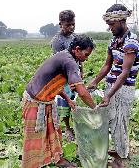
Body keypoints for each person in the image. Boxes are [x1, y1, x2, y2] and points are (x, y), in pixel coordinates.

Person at [21, 34, 96, 168]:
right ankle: (31, 165)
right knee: (34, 138)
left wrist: (68, 99)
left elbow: (55, 82)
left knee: (53, 132)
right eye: (86, 54)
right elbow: (82, 92)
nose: (86, 59)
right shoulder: (69, 61)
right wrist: (96, 110)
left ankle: (58, 159)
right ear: (77, 49)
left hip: (46, 100)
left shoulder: (65, 55)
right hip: (35, 101)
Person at [88, 4, 139, 168]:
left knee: (120, 122)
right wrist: (95, 81)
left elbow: (125, 72)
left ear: (122, 21)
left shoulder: (131, 42)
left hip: (123, 88)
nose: (109, 27)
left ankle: (120, 158)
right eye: (109, 24)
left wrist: (109, 94)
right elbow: (107, 65)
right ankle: (119, 149)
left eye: (112, 24)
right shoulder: (114, 41)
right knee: (111, 120)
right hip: (111, 85)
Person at [51, 10, 80, 142]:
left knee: (76, 99)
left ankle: (77, 125)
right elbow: (61, 61)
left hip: (75, 72)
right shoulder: (57, 40)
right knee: (65, 100)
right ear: (61, 24)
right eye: (68, 25)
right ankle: (67, 128)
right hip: (63, 75)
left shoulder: (74, 37)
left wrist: (81, 72)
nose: (71, 27)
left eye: (73, 24)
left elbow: (78, 56)